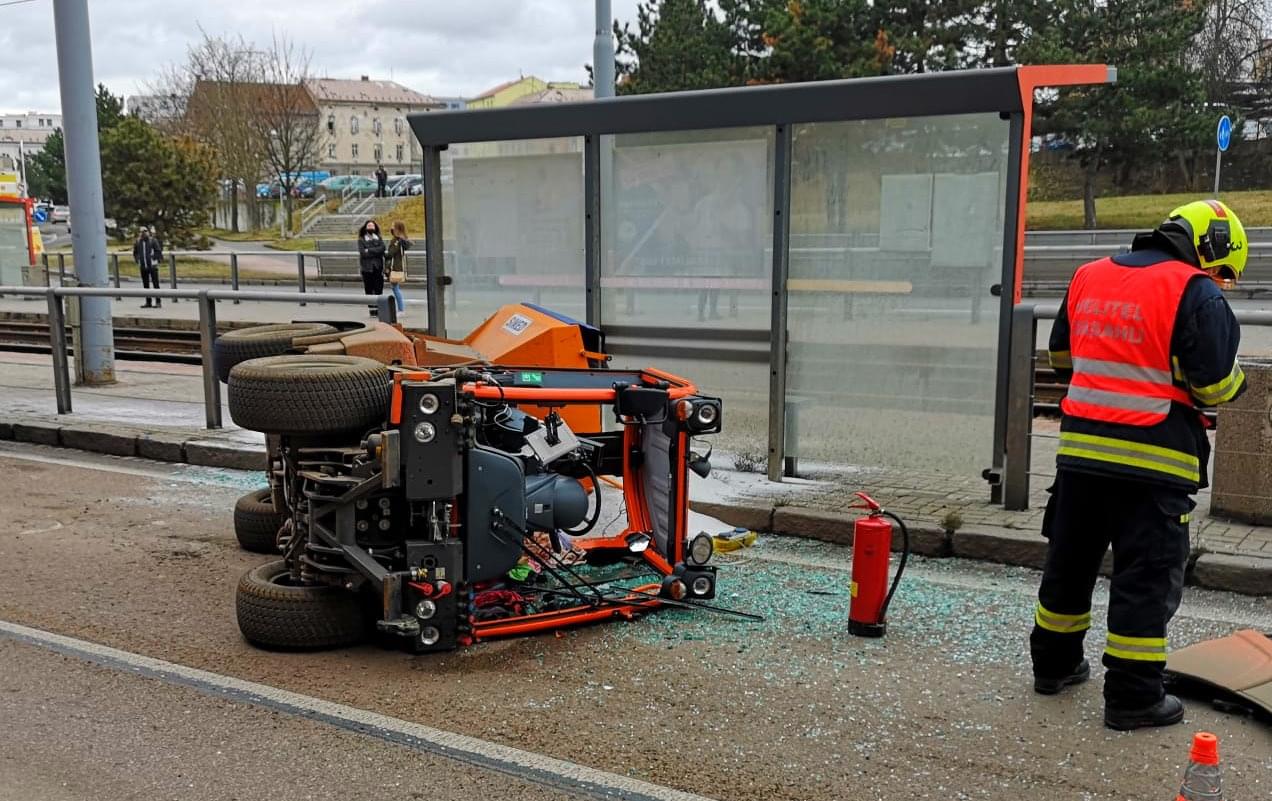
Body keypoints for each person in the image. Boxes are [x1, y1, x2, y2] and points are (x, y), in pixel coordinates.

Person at [1031, 199, 1248, 732]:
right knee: (1145, 579)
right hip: (1155, 463)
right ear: (1211, 246)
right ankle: (1133, 697)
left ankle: (1053, 666)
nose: (1220, 281)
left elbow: (1061, 360)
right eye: (1223, 270)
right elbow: (1214, 387)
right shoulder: (1195, 291)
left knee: (1069, 564)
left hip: (1080, 456)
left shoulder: (1089, 275)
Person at [357, 219, 387, 316]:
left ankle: (379, 309)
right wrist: (376, 251)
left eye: (372, 226)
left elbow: (382, 249)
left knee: (379, 289)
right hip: (367, 269)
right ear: (365, 227)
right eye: (369, 226)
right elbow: (363, 253)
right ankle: (372, 310)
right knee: (369, 289)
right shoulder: (361, 239)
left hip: (378, 267)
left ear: (375, 227)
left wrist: (369, 250)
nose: (371, 227)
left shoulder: (378, 238)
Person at [132, 226, 163, 308]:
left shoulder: (153, 241)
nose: (143, 233)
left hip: (152, 266)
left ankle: (158, 302)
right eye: (141, 231)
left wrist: (154, 258)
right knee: (145, 285)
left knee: (156, 284)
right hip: (143, 266)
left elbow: (158, 251)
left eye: (145, 231)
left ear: (148, 232)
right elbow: (135, 252)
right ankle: (148, 302)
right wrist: (138, 260)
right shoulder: (138, 242)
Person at [385, 220, 412, 314]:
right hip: (397, 265)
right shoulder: (401, 240)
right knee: (395, 288)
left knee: (395, 288)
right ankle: (400, 309)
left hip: (395, 266)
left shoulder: (397, 241)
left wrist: (383, 254)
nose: (391, 227)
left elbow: (391, 253)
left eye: (393, 226)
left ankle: (401, 309)